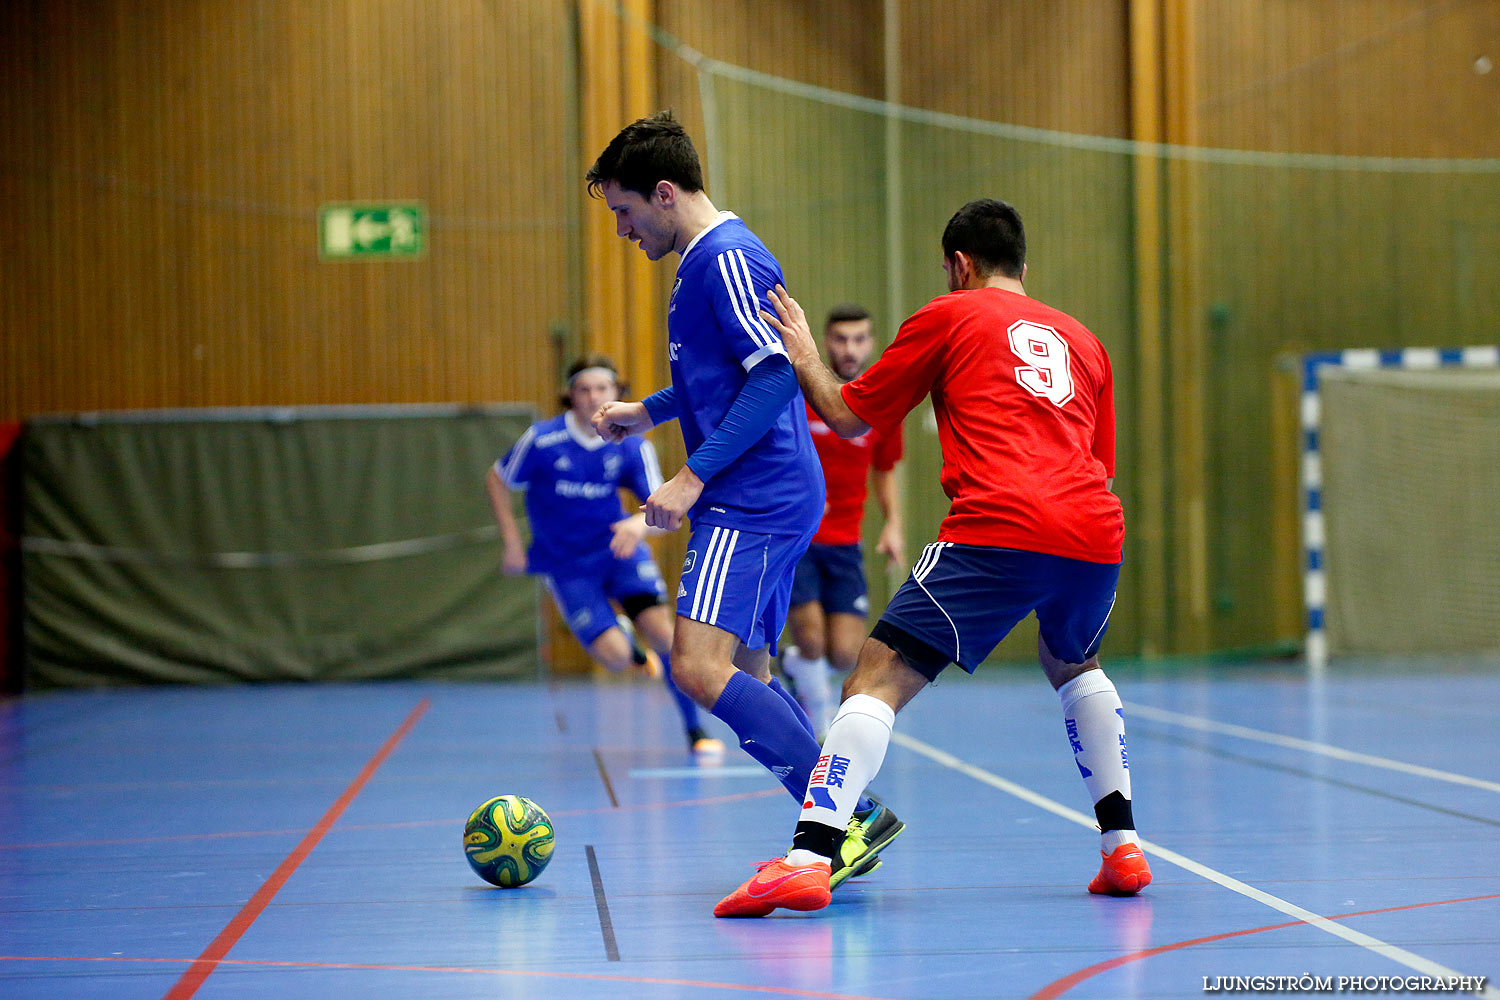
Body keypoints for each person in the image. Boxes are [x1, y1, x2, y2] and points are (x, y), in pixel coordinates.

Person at [715, 198, 1150, 918]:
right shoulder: (1084, 339)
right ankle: (1123, 847)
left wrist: (803, 356)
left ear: (959, 265)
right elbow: (1098, 465)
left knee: (874, 677)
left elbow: (850, 412)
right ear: (1023, 267)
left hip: (999, 522)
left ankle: (806, 858)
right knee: (1075, 664)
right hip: (1095, 529)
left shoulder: (949, 314)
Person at [584, 111, 903, 888]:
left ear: (664, 194)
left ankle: (847, 819)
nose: (623, 230)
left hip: (752, 495)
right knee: (750, 673)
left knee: (697, 667)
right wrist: (649, 412)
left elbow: (769, 376)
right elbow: (721, 375)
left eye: (625, 211)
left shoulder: (725, 256)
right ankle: (843, 820)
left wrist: (691, 478)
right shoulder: (703, 263)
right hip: (766, 489)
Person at [487, 354, 723, 756]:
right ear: (570, 395)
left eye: (603, 389)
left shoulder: (631, 444)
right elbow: (498, 478)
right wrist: (511, 542)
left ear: (617, 394)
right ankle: (622, 636)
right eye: (584, 389)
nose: (593, 397)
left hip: (619, 554)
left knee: (666, 637)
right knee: (614, 659)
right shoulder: (543, 441)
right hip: (566, 565)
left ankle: (694, 730)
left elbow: (661, 509)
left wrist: (636, 525)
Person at [781, 304, 906, 736]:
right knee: (812, 639)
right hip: (799, 538)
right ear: (826, 340)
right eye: (840, 339)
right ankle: (814, 710)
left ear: (870, 343)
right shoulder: (802, 393)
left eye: (858, 339)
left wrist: (893, 524)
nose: (849, 349)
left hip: (845, 543)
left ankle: (795, 666)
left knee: (843, 654)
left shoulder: (880, 402)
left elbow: (884, 469)